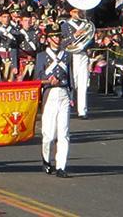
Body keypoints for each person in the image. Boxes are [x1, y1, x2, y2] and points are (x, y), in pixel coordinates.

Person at [37, 24, 72, 178]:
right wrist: (47, 80)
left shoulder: (66, 55)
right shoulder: (41, 56)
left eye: (59, 36)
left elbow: (70, 77)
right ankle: (46, 160)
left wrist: (72, 96)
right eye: (54, 36)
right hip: (49, 94)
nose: (57, 39)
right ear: (48, 38)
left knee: (63, 133)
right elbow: (37, 78)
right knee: (49, 134)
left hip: (63, 93)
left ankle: (61, 166)